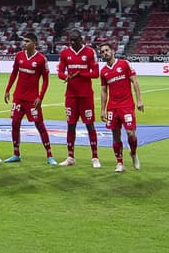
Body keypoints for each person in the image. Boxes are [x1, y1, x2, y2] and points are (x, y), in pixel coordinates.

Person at [2, 31, 56, 164]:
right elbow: (14, 73)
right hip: (18, 98)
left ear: (34, 43)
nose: (24, 44)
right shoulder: (19, 56)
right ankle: (16, 154)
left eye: (27, 41)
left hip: (32, 99)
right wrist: (8, 90)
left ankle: (50, 155)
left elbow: (46, 80)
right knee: (15, 124)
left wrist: (40, 97)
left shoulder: (41, 59)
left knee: (40, 125)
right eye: (24, 41)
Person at [56, 29, 102, 168]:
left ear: (81, 40)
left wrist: (81, 74)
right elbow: (59, 72)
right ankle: (70, 156)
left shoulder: (89, 52)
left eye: (75, 40)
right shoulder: (65, 53)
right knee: (71, 126)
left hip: (86, 96)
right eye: (71, 40)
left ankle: (95, 157)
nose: (72, 42)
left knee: (90, 125)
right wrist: (66, 77)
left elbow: (95, 73)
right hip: (71, 96)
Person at [99, 42, 144, 173]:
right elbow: (103, 90)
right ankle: (119, 162)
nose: (105, 53)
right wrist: (102, 109)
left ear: (113, 51)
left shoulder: (124, 64)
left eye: (107, 50)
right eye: (102, 52)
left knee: (131, 133)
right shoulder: (104, 72)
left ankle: (134, 153)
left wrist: (139, 100)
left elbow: (134, 81)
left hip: (127, 105)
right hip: (112, 107)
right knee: (115, 134)